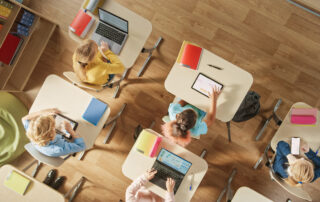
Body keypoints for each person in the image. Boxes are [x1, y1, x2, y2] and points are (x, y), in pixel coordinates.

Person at [22, 108, 86, 157]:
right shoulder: (59, 148)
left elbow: (24, 119)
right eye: (53, 126)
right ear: (52, 133)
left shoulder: (32, 130)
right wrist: (70, 130)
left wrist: (42, 112)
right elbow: (82, 146)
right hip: (63, 147)